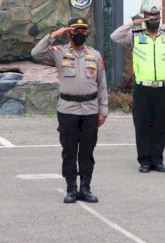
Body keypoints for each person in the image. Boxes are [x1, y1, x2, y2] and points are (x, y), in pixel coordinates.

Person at [32, 17, 108, 203]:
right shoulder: (59, 53)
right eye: (75, 30)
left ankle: (86, 188)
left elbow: (102, 84)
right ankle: (71, 189)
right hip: (67, 110)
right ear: (69, 32)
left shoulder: (95, 55)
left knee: (87, 152)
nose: (80, 34)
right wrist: (53, 35)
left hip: (90, 110)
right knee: (69, 151)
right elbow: (36, 53)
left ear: (87, 33)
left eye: (83, 30)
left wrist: (103, 110)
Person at [111, 5, 165, 173]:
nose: (153, 21)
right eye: (149, 18)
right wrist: (132, 23)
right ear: (144, 19)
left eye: (156, 18)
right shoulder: (135, 36)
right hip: (143, 89)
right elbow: (115, 36)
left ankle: (157, 160)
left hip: (164, 88)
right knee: (143, 125)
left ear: (159, 18)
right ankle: (144, 160)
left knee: (160, 126)